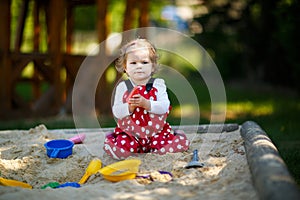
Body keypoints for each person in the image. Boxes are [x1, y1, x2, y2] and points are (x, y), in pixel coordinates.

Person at [103, 38, 189, 160]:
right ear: (125, 67)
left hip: (156, 132)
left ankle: (176, 136)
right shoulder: (123, 87)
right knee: (120, 152)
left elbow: (164, 106)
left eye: (144, 62)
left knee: (166, 149)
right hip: (130, 133)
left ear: (153, 66)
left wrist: (148, 104)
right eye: (133, 63)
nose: (139, 66)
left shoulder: (158, 84)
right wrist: (129, 107)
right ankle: (114, 139)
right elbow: (117, 111)